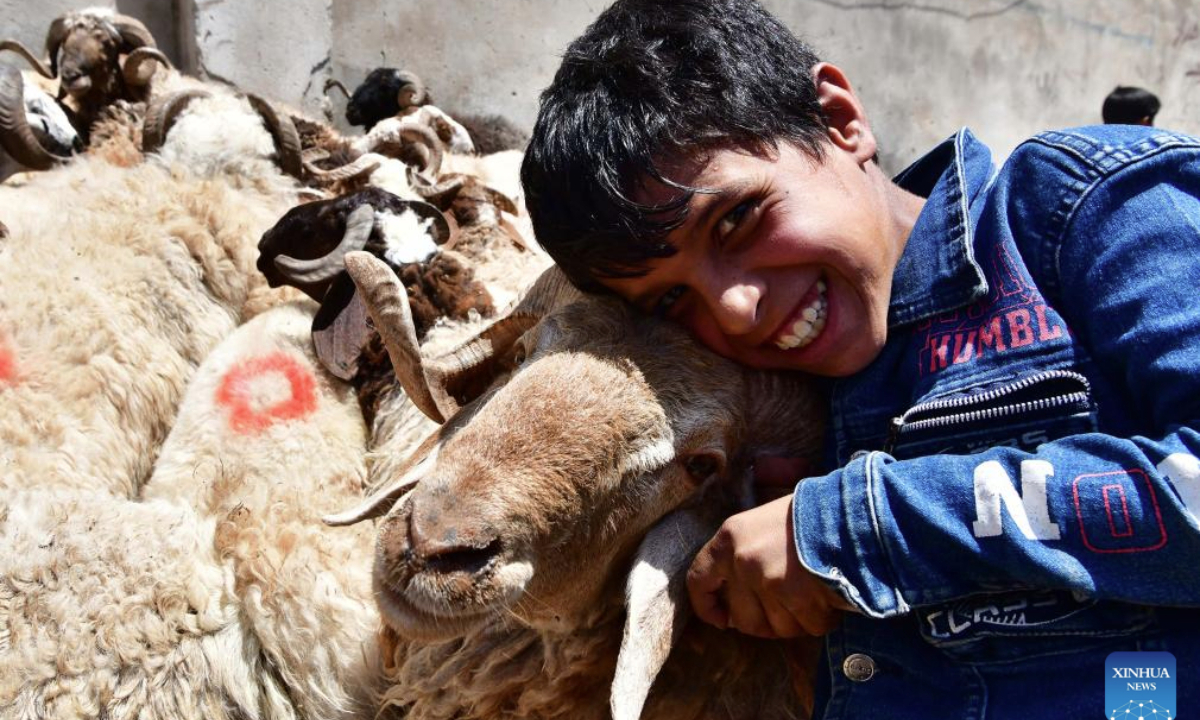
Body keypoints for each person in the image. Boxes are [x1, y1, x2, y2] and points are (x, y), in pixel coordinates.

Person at [520, 0, 1200, 717]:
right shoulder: (765, 404)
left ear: (841, 120)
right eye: (669, 301)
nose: (734, 310)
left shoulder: (1077, 209)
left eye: (737, 220)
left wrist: (856, 530)